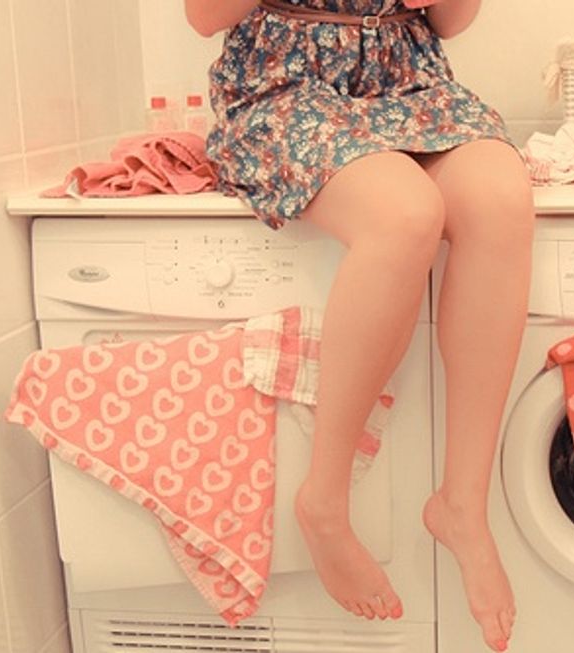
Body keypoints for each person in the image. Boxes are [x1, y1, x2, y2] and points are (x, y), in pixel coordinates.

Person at [184, 1, 534, 650]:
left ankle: (462, 504)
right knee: (405, 214)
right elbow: (203, 16)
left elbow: (452, 22)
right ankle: (324, 500)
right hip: (285, 86)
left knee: (503, 200)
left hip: (408, 80)